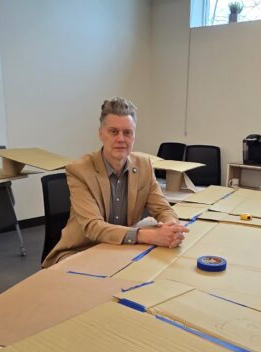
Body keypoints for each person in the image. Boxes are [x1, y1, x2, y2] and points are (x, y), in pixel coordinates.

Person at [42, 97, 189, 268]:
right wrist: (150, 236)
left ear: (134, 136)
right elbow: (93, 227)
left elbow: (163, 208)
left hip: (119, 250)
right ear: (101, 134)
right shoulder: (79, 170)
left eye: (127, 132)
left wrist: (172, 227)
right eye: (113, 131)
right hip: (80, 251)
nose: (121, 139)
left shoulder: (144, 165)